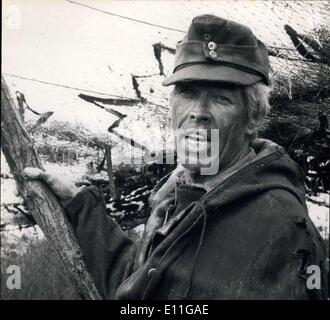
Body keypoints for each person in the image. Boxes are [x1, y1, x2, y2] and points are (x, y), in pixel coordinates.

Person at [23, 15, 328, 299]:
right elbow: (136, 286)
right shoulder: (176, 198)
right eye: (187, 93)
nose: (198, 112)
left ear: (253, 118)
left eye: (222, 98)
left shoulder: (281, 228)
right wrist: (79, 205)